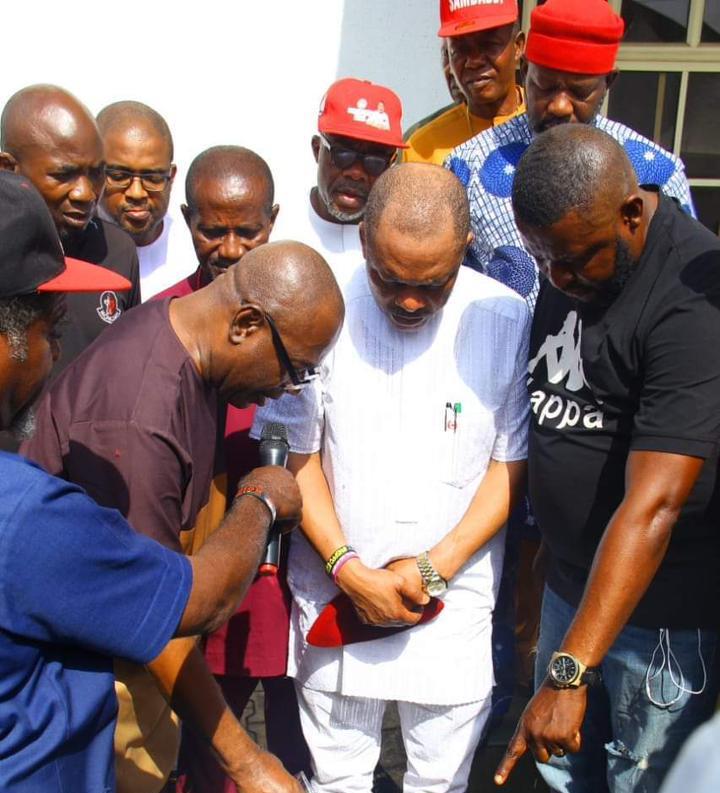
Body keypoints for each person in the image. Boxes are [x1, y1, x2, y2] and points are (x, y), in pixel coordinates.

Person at [0, 169, 306, 793]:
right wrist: (262, 498)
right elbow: (184, 606)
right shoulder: (32, 504)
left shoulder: (182, 345)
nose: (59, 354)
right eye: (49, 330)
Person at [254, 163, 530, 793]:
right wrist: (350, 570)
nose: (408, 300)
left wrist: (432, 567)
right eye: (388, 278)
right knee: (338, 781)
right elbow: (297, 455)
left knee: (440, 783)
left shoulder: (502, 315)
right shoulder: (321, 306)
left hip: (451, 604)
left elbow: (511, 463)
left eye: (432, 284)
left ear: (463, 252)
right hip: (335, 594)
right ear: (365, 241)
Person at [495, 124, 720, 793]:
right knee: (561, 772)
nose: (559, 278)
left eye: (575, 259)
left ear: (629, 214)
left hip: (658, 626)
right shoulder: (574, 245)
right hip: (573, 590)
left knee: (638, 781)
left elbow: (656, 504)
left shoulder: (691, 304)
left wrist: (570, 672)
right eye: (543, 260)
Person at [154, 146, 309, 792]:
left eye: (248, 229)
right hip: (191, 561)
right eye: (211, 228)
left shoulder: (299, 315)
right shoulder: (168, 317)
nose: (229, 245)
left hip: (273, 570)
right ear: (186, 218)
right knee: (193, 750)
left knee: (287, 739)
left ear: (272, 220)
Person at [446, 0, 694, 310]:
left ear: (608, 82)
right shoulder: (466, 168)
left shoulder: (656, 174)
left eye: (579, 92)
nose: (560, 106)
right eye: (545, 88)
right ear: (524, 71)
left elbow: (681, 292)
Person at [0, 84, 141, 375]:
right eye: (64, 174)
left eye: (97, 173)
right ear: (7, 168)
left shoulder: (118, 252)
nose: (86, 194)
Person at [274, 78, 403, 287]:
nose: (356, 173)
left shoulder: (401, 241)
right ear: (317, 150)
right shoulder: (276, 227)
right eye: (343, 153)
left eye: (375, 160)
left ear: (391, 163)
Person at [402, 0, 525, 165]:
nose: (474, 61)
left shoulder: (549, 126)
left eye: (488, 45)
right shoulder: (422, 149)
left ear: (518, 46)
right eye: (459, 50)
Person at [97, 100, 194, 299]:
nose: (137, 192)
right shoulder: (67, 249)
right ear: (96, 171)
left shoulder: (193, 253)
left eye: (153, 178)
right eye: (119, 176)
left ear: (172, 176)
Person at [155, 145, 279, 299]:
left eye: (247, 233)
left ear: (271, 221)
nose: (231, 251)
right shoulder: (159, 318)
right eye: (213, 233)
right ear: (188, 220)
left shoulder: (302, 314)